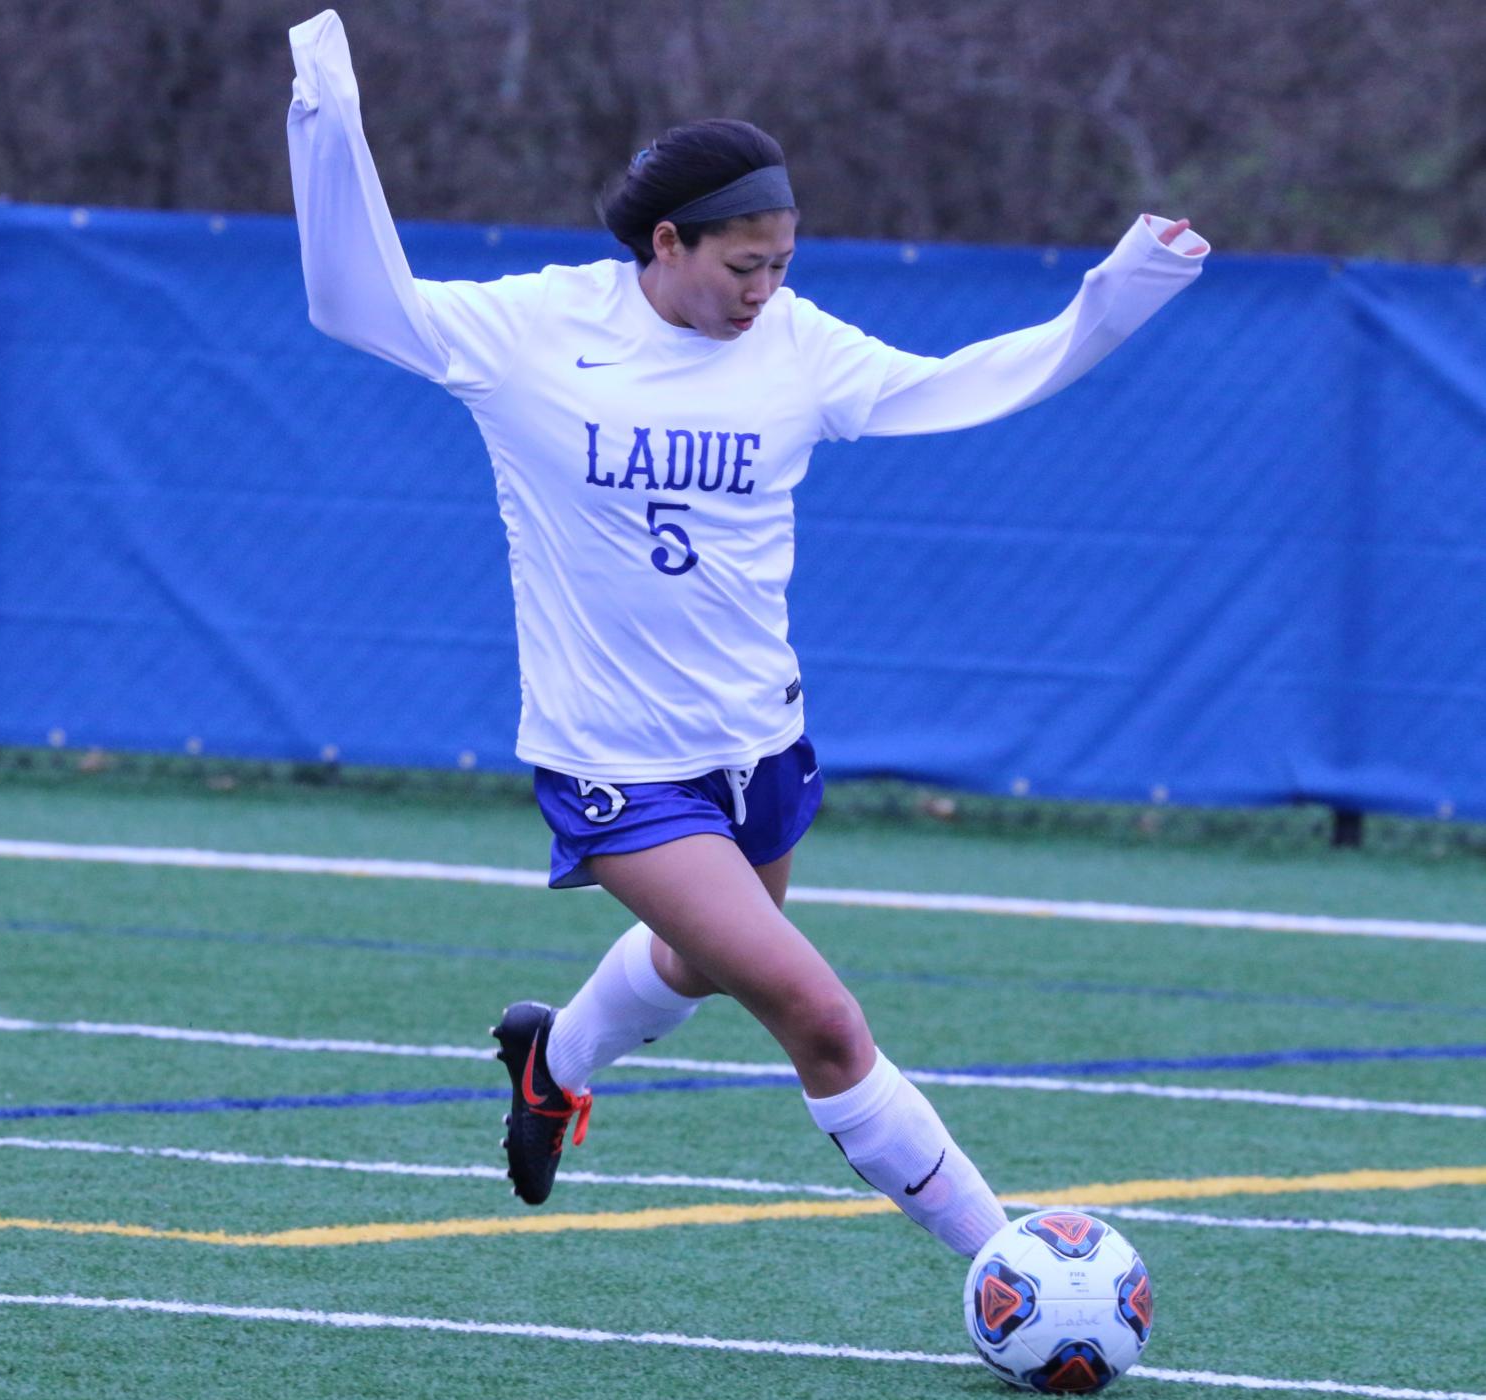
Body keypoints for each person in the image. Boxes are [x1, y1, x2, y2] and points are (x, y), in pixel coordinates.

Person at [287, 9, 1209, 1262]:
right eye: (741, 265)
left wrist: (1121, 295)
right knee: (820, 1019)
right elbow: (353, 298)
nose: (764, 290)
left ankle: (551, 1061)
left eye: (781, 263)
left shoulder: (795, 345)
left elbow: (964, 387)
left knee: (696, 957)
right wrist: (323, 102)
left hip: (759, 741)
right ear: (665, 242)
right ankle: (1016, 1272)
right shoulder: (531, 334)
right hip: (615, 760)